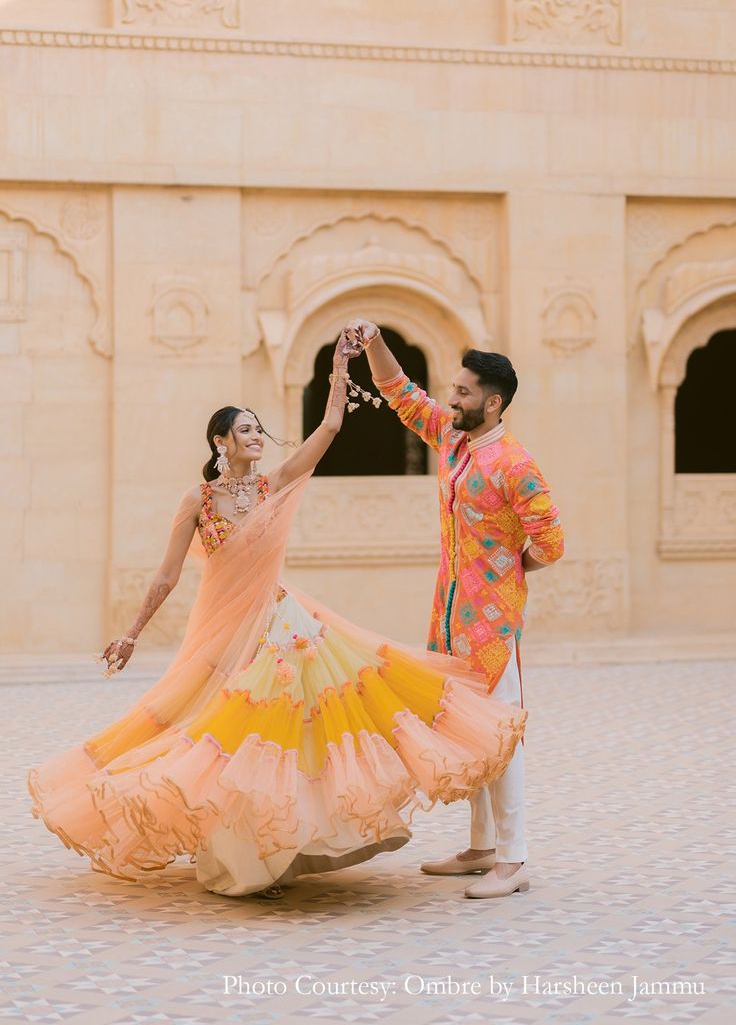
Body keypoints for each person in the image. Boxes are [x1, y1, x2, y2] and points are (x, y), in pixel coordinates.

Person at [28, 330, 526, 899]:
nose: (257, 436)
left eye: (259, 428)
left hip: (281, 628)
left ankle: (275, 855)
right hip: (224, 632)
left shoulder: (272, 485)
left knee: (284, 739)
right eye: (245, 430)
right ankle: (236, 856)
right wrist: (131, 634)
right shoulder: (198, 500)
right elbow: (167, 575)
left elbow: (331, 428)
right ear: (221, 441)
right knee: (219, 738)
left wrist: (340, 367)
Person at [345, 320, 564, 900]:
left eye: (464, 392)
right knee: (470, 732)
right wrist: (372, 342)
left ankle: (514, 860)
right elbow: (401, 394)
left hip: (493, 623)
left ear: (493, 403)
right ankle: (482, 847)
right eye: (455, 388)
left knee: (501, 735)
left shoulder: (514, 463)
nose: (452, 398)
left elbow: (551, 541)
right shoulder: (452, 436)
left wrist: (508, 576)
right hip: (449, 609)